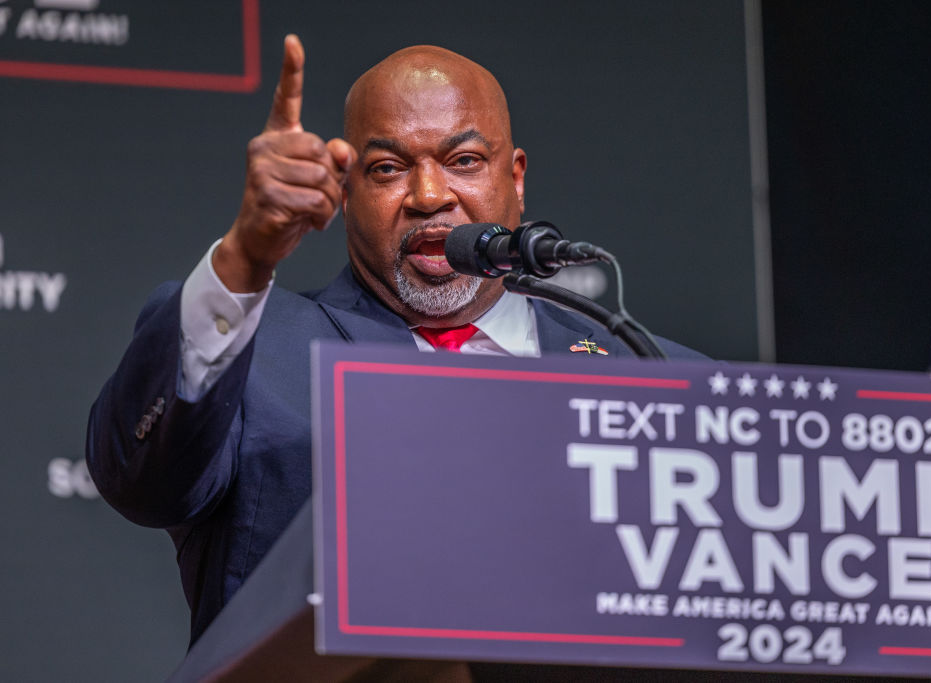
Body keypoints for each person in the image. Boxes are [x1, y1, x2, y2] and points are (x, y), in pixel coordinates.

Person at [87, 35, 706, 646]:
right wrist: (245, 259)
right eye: (388, 169)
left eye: (464, 162)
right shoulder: (254, 354)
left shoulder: (655, 376)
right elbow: (140, 480)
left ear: (515, 179)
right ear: (348, 191)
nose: (430, 197)